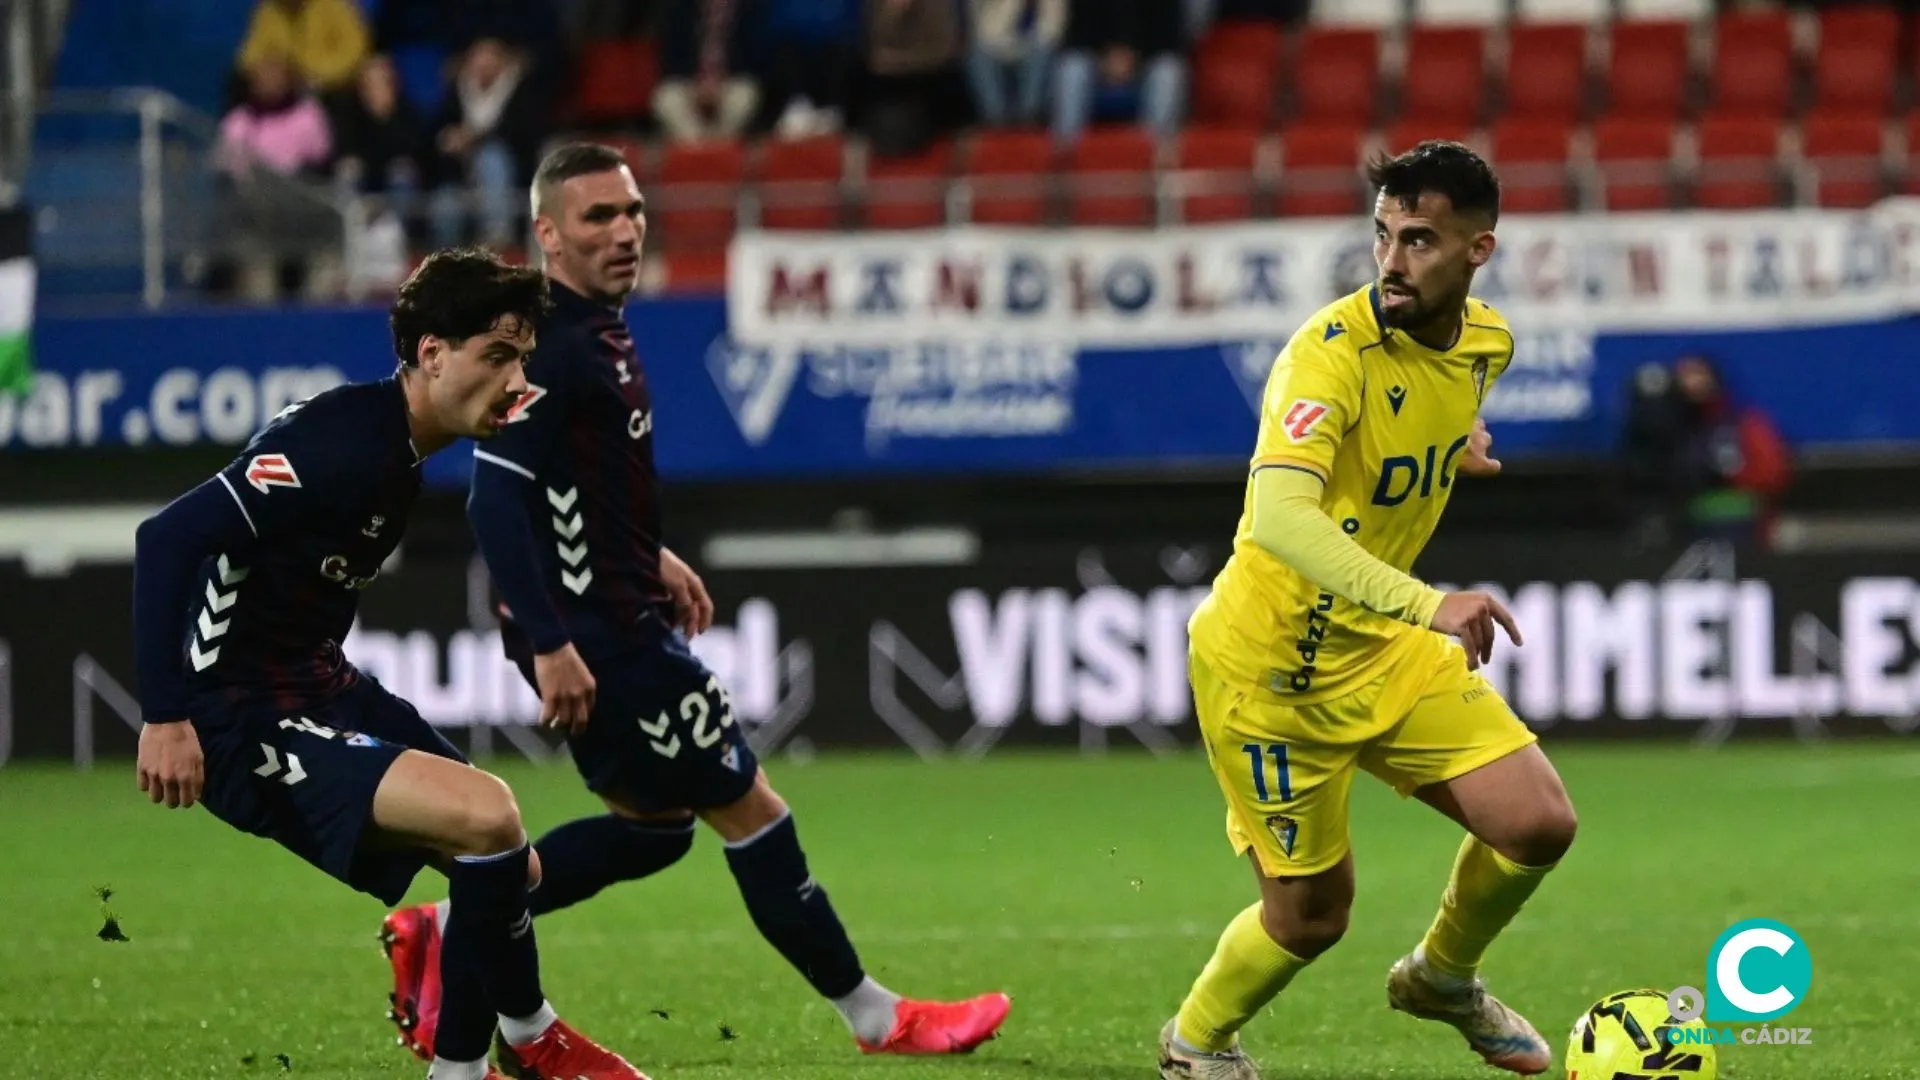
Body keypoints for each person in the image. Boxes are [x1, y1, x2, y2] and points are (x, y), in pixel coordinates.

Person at [377, 143, 1013, 1066]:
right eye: (598, 216)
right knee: (752, 811)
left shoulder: (592, 328)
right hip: (612, 644)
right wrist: (553, 643)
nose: (625, 229)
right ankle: (878, 1017)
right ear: (547, 233)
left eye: (633, 210)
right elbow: (495, 495)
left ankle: (452, 921)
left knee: (654, 832)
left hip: (616, 615)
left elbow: (575, 481)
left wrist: (651, 554)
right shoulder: (549, 344)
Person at [132, 248, 647, 1080]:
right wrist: (166, 713)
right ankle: (492, 1056)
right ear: (431, 352)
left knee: (516, 866)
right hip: (239, 714)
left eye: (521, 357)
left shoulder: (402, 450)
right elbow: (166, 539)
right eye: (497, 356)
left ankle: (509, 1021)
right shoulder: (338, 440)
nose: (517, 380)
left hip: (318, 684)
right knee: (488, 819)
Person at [1158, 142, 1577, 1080]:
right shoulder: (1326, 354)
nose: (1392, 259)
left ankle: (1442, 976)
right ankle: (1195, 1045)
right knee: (1312, 916)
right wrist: (1429, 602)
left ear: (1479, 250)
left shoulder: (1486, 345)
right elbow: (1279, 518)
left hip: (1379, 650)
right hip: (1272, 673)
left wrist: (1452, 442)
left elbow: (1438, 402)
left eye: (1420, 240)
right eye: (1383, 235)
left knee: (1538, 822)